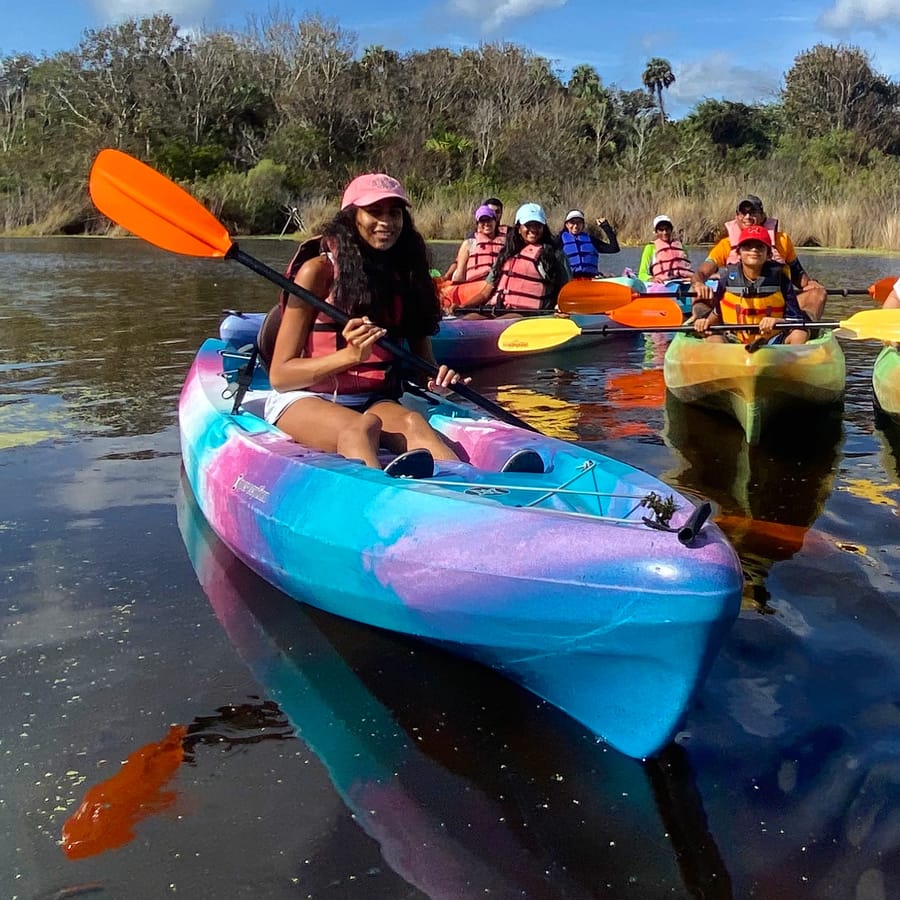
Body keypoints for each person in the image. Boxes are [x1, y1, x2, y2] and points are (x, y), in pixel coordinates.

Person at [260, 173, 466, 479]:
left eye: (394, 213)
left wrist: (437, 381)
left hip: (373, 400)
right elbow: (280, 376)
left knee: (414, 423)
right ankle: (383, 506)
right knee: (360, 429)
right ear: (351, 217)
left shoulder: (409, 276)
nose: (386, 222)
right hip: (304, 397)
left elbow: (425, 367)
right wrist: (349, 356)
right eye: (375, 212)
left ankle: (473, 493)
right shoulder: (317, 272)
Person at [690, 195, 827, 320]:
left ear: (762, 216)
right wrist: (698, 283)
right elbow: (702, 272)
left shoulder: (783, 241)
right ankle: (705, 326)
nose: (747, 217)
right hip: (737, 309)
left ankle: (805, 328)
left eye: (753, 212)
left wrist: (810, 284)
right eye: (743, 212)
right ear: (737, 217)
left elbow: (798, 275)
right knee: (696, 293)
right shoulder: (725, 244)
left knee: (818, 293)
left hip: (776, 306)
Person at [691, 225, 810, 345]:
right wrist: (703, 324)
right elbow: (717, 313)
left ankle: (789, 362)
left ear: (769, 254)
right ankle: (724, 362)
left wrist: (777, 321)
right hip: (734, 340)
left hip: (771, 341)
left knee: (800, 334)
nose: (754, 250)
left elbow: (796, 320)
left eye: (760, 247)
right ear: (739, 253)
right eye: (747, 246)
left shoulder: (782, 280)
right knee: (713, 339)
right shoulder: (726, 280)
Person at [461, 203, 571, 316]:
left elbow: (567, 291)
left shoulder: (555, 255)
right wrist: (463, 307)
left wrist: (561, 307)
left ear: (543, 227)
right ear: (519, 228)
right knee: (471, 318)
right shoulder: (506, 254)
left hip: (527, 315)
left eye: (538, 225)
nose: (533, 230)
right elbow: (485, 293)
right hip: (495, 309)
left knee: (507, 318)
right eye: (528, 225)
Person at [445, 204, 505, 284]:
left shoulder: (505, 243)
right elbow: (460, 274)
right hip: (475, 286)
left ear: (495, 221)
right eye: (482, 221)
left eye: (489, 220)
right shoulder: (469, 243)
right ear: (477, 224)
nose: (486, 224)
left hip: (498, 285)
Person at [557, 209, 620, 278]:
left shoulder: (591, 240)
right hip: (569, 281)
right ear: (567, 225)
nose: (575, 226)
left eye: (579, 222)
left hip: (590, 280)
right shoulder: (559, 240)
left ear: (583, 225)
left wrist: (606, 227)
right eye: (572, 222)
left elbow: (614, 248)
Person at [638, 215, 693, 283]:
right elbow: (642, 274)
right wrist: (650, 279)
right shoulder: (650, 248)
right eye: (661, 230)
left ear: (671, 229)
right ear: (656, 231)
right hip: (664, 283)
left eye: (667, 229)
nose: (665, 232)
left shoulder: (681, 246)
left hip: (685, 281)